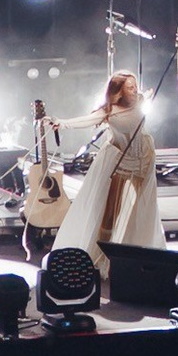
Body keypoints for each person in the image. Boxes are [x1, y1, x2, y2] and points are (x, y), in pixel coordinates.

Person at [53, 73, 159, 258]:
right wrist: (61, 123)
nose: (135, 91)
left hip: (143, 158)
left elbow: (147, 96)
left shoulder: (140, 101)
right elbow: (86, 120)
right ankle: (103, 255)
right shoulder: (110, 110)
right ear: (119, 92)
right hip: (121, 160)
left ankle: (137, 253)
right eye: (130, 88)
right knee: (110, 213)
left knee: (142, 208)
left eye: (135, 86)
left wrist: (149, 94)